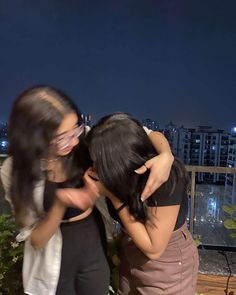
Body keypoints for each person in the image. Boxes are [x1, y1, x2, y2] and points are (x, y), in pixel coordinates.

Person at [0, 86, 174, 295]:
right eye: (62, 137)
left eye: (77, 128)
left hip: (93, 246)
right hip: (51, 262)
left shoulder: (84, 141)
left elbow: (144, 133)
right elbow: (35, 239)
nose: (75, 141)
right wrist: (59, 205)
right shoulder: (14, 171)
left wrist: (165, 154)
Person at [82, 113, 199, 295]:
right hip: (131, 250)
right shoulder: (121, 171)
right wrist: (166, 153)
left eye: (99, 162)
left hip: (167, 263)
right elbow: (151, 133)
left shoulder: (164, 180)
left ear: (118, 162)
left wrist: (113, 197)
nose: (94, 167)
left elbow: (154, 249)